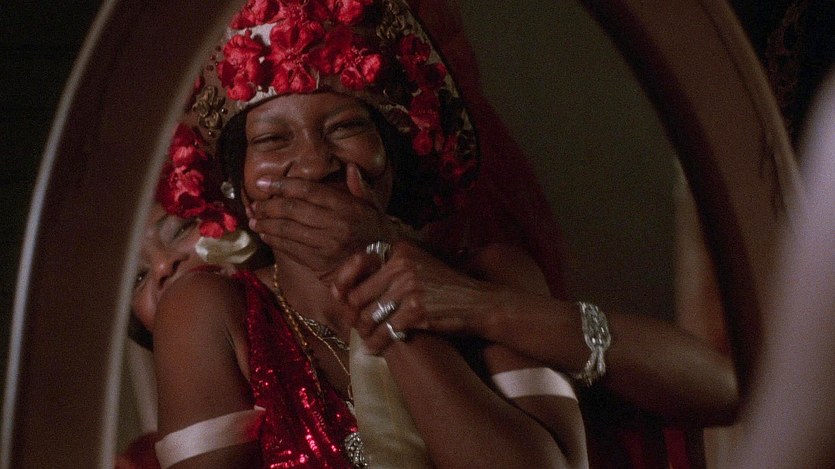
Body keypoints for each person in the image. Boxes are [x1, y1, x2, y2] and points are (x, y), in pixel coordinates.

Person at [151, 1, 589, 468]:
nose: (316, 165)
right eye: (272, 140)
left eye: (345, 127)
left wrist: (375, 270)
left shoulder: (489, 275)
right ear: (237, 187)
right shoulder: (210, 312)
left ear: (393, 157)